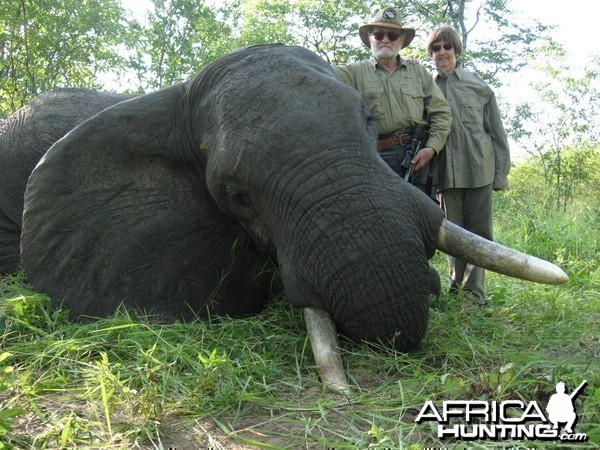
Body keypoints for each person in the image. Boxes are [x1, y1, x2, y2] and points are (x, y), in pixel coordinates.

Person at [425, 25, 511, 304]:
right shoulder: (424, 85)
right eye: (436, 48)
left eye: (447, 47)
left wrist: (500, 176)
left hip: (479, 170)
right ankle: (455, 291)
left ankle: (474, 296)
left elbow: (497, 134)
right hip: (445, 174)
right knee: (453, 236)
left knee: (481, 235)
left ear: (456, 50)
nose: (442, 52)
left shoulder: (479, 86)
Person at [333, 7, 452, 198]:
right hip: (376, 159)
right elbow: (318, 74)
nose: (385, 39)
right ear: (370, 39)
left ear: (401, 40)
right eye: (379, 35)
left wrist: (431, 148)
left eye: (392, 35)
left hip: (417, 156)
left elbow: (441, 113)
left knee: (422, 219)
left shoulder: (418, 72)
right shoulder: (352, 72)